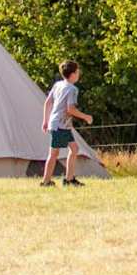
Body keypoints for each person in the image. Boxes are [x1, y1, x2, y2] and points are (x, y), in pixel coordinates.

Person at [40, 60, 93, 188]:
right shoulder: (72, 89)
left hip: (60, 124)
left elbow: (47, 103)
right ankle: (46, 182)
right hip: (60, 125)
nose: (79, 73)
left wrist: (46, 121)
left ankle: (69, 180)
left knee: (74, 149)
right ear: (73, 74)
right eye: (78, 70)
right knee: (54, 154)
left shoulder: (58, 85)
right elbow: (70, 109)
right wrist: (86, 117)